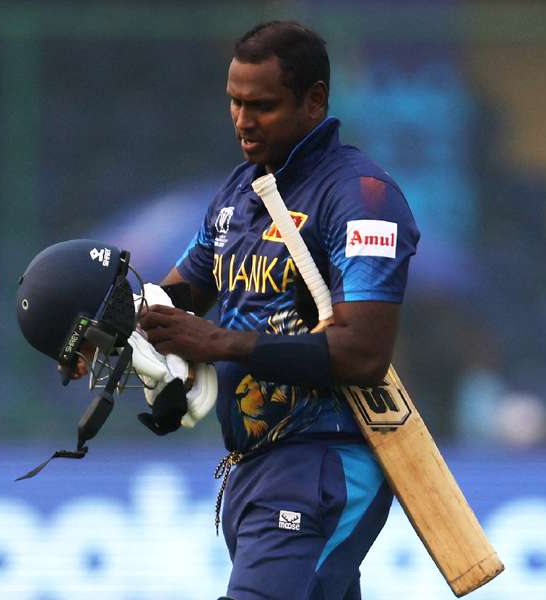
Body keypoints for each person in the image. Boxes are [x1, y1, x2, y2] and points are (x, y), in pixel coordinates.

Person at [133, 21, 420, 600]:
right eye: (234, 103)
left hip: (323, 460)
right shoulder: (240, 195)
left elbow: (362, 352)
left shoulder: (361, 196)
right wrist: (101, 328)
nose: (242, 121)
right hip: (255, 464)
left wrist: (216, 343)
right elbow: (172, 300)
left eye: (261, 105)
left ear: (314, 100)